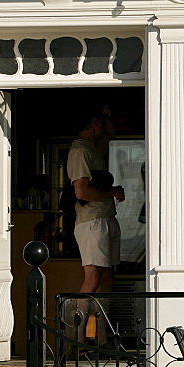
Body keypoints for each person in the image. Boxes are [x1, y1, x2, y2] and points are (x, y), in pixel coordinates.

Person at [68, 106, 125, 296]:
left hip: (105, 218)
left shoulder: (93, 149)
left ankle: (100, 325)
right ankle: (75, 326)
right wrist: (111, 192)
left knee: (107, 276)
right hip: (92, 221)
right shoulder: (79, 151)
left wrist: (106, 116)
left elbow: (110, 133)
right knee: (93, 276)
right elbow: (81, 191)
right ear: (93, 122)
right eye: (100, 120)